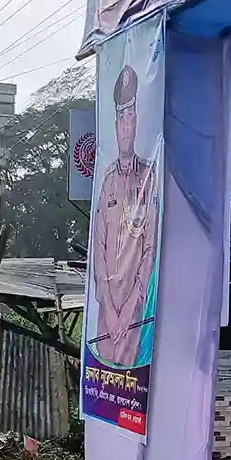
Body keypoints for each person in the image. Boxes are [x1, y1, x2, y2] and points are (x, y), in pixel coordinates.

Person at [90, 63, 159, 368]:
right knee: (105, 375)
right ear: (115, 125)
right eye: (122, 119)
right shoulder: (107, 181)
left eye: (131, 117)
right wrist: (108, 306)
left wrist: (130, 307)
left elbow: (150, 249)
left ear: (137, 122)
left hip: (135, 311)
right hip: (107, 310)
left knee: (132, 376)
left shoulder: (149, 178)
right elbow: (99, 247)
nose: (127, 127)